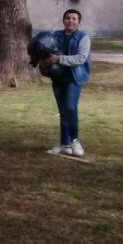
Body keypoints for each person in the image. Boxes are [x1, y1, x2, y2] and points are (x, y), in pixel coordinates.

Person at [42, 9, 92, 158]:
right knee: (63, 110)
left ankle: (75, 141)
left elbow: (81, 58)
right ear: (63, 20)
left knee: (70, 107)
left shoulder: (83, 37)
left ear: (78, 21)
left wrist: (59, 59)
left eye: (74, 19)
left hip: (74, 78)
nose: (70, 21)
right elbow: (46, 51)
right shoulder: (56, 35)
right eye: (68, 18)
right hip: (58, 77)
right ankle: (64, 144)